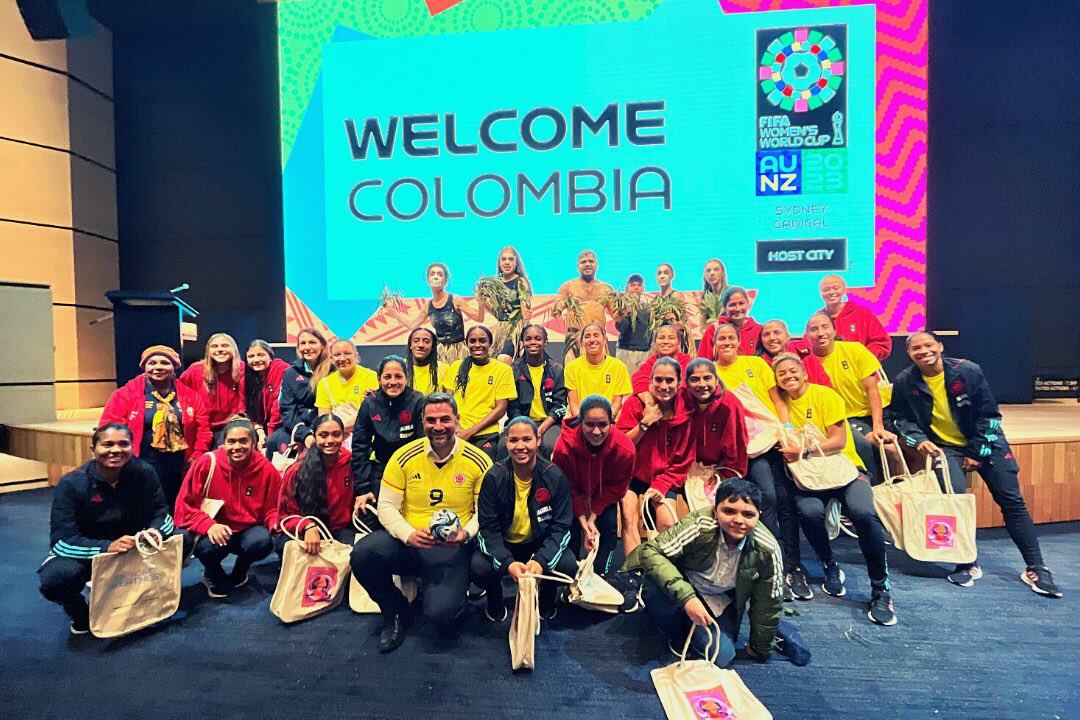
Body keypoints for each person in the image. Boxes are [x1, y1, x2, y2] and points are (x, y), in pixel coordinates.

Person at [887, 332, 1061, 596]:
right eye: (916, 348)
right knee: (952, 502)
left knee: (1011, 501)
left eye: (928, 345)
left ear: (940, 346)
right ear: (909, 353)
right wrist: (918, 439)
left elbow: (989, 415)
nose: (923, 351)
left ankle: (1036, 566)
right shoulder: (904, 381)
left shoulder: (967, 371)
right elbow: (897, 418)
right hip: (946, 449)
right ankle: (966, 562)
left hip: (986, 443)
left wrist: (977, 453)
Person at [351, 393, 492, 653]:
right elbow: (386, 507)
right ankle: (395, 611)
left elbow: (484, 513)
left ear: (457, 420)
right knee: (362, 554)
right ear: (422, 422)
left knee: (442, 617)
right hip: (411, 541)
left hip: (452, 548)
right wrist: (408, 534)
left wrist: (466, 533)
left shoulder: (478, 460)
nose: (438, 426)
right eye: (431, 420)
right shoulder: (403, 456)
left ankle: (447, 590)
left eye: (445, 419)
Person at [773, 354, 898, 625]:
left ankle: (880, 587)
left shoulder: (826, 396)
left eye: (793, 370)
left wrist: (802, 450)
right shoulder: (782, 407)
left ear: (805, 373)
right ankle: (829, 564)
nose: (788, 376)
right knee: (808, 511)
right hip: (810, 476)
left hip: (845, 469)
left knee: (863, 514)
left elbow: (839, 441)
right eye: (781, 373)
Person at [626, 479, 783, 667]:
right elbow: (650, 552)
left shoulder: (768, 549)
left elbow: (769, 603)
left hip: (719, 600)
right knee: (654, 586)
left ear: (759, 516)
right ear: (715, 510)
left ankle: (691, 626)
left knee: (722, 657)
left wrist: (760, 648)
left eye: (748, 514)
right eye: (729, 511)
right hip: (685, 584)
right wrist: (688, 598)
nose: (738, 520)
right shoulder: (700, 524)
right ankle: (676, 632)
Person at [38, 423, 175, 635]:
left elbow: (162, 514)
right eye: (107, 444)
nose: (116, 450)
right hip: (93, 550)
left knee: (184, 539)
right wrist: (106, 547)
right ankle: (80, 613)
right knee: (56, 579)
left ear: (132, 447)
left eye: (123, 444)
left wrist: (155, 533)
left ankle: (145, 601)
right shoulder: (72, 484)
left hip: (135, 547)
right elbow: (61, 542)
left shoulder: (145, 472)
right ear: (93, 450)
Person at [472, 417, 577, 622]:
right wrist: (507, 563)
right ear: (506, 443)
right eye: (514, 440)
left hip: (539, 543)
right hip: (506, 544)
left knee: (568, 564)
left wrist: (541, 560)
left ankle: (546, 599)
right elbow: (487, 530)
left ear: (538, 440)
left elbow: (561, 527)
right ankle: (495, 599)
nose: (520, 446)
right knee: (479, 568)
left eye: (527, 439)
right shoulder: (494, 477)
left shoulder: (554, 475)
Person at [175, 418, 280, 598]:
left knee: (263, 542)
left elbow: (273, 508)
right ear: (223, 443)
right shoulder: (206, 463)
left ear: (254, 443)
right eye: (231, 441)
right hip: (216, 530)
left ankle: (241, 570)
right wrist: (208, 525)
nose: (237, 447)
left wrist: (276, 525)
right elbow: (183, 507)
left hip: (248, 531)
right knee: (209, 549)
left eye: (243, 441)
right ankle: (212, 574)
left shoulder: (267, 470)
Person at [99, 345, 211, 505]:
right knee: (144, 504)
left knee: (176, 503)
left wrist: (197, 455)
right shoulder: (124, 395)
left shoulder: (190, 396)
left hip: (180, 464)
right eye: (152, 363)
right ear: (144, 367)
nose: (158, 367)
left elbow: (203, 430)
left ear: (174, 368)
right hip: (141, 463)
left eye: (165, 363)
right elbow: (109, 429)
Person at [805, 313, 896, 485]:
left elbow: (872, 388)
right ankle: (873, 488)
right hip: (846, 419)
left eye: (825, 327)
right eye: (814, 329)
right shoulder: (806, 363)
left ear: (834, 330)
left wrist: (878, 425)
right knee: (867, 444)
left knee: (898, 447)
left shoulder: (855, 350)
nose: (820, 333)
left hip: (877, 413)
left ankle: (899, 492)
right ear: (807, 335)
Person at [552, 395, 636, 578]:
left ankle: (601, 574)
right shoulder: (563, 448)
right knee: (570, 531)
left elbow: (616, 487)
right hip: (574, 492)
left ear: (611, 423)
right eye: (590, 424)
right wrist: (584, 521)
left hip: (603, 492)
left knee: (609, 527)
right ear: (580, 422)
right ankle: (570, 577)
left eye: (603, 425)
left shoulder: (624, 449)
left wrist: (594, 515)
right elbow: (567, 487)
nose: (597, 432)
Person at [616, 358, 695, 552]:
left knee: (667, 522)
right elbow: (622, 446)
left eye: (669, 380)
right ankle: (632, 571)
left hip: (665, 476)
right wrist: (645, 423)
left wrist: (661, 485)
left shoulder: (686, 410)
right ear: (651, 381)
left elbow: (683, 461)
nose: (664, 386)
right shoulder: (635, 403)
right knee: (628, 517)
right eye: (658, 380)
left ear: (679, 382)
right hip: (633, 473)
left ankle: (659, 569)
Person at [276, 414, 365, 556]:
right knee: (284, 545)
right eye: (323, 435)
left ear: (345, 436)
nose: (330, 440)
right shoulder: (297, 470)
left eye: (336, 435)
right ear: (314, 437)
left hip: (340, 529)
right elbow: (284, 516)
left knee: (361, 553)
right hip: (305, 528)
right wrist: (308, 526)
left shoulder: (352, 464)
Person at [351, 356, 426, 517]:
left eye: (398, 376)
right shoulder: (370, 403)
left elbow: (424, 444)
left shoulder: (418, 400)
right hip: (381, 469)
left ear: (407, 378)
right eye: (387, 377)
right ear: (379, 379)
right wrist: (363, 488)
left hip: (411, 471)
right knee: (368, 514)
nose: (393, 382)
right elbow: (359, 447)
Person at [383, 262, 484, 365]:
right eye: (432, 274)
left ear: (445, 281)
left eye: (440, 274)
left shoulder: (455, 299)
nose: (435, 277)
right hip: (440, 353)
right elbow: (412, 325)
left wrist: (481, 304)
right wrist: (392, 311)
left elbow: (479, 318)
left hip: (459, 351)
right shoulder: (428, 306)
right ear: (427, 280)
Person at [447, 326, 517, 458]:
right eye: (473, 341)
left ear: (490, 343)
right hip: (455, 432)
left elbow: (501, 408)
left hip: (486, 434)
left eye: (482, 341)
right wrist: (457, 429)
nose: (477, 345)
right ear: (466, 343)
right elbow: (448, 402)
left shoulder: (502, 370)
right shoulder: (456, 366)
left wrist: (469, 432)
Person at [503, 324, 567, 458]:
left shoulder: (556, 370)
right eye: (528, 339)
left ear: (545, 343)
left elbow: (560, 406)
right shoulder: (513, 369)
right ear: (523, 342)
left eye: (537, 338)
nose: (533, 342)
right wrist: (524, 427)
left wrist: (540, 430)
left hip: (549, 423)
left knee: (551, 446)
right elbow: (512, 406)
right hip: (520, 420)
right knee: (503, 447)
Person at [267, 327, 332, 455]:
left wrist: (315, 434)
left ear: (323, 345)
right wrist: (304, 435)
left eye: (312, 342)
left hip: (326, 426)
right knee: (272, 442)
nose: (307, 347)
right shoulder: (290, 373)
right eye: (303, 343)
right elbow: (287, 410)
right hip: (297, 427)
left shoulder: (333, 370)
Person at [177, 333, 246, 446]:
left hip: (231, 425)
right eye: (215, 346)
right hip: (201, 427)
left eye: (225, 345)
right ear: (208, 350)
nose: (219, 350)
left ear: (233, 348)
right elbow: (178, 389)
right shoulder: (196, 370)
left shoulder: (243, 369)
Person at [314, 339, 378, 442]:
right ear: (331, 359)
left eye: (347, 353)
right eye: (337, 354)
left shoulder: (370, 376)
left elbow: (371, 414)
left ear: (356, 356)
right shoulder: (324, 383)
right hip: (336, 437)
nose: (342, 358)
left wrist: (338, 429)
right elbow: (324, 419)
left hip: (366, 433)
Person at [564, 323, 633, 418]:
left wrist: (606, 421)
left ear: (605, 340)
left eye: (596, 335)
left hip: (609, 420)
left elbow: (617, 402)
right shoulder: (572, 367)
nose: (592, 340)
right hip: (581, 419)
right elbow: (574, 403)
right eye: (587, 336)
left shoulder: (619, 367)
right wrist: (584, 423)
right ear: (581, 342)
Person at [555, 250, 614, 360]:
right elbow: (557, 307)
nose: (587, 264)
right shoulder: (568, 286)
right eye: (583, 262)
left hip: (598, 340)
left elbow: (618, 316)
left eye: (591, 261)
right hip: (574, 339)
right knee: (572, 374)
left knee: (599, 374)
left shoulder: (606, 288)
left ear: (596, 265)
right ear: (578, 266)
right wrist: (559, 307)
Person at [818, 275, 892, 361]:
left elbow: (882, 343)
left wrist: (861, 356)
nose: (831, 292)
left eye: (836, 288)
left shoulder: (862, 314)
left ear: (844, 290)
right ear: (821, 293)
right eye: (826, 289)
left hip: (860, 369)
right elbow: (808, 345)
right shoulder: (817, 318)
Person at [482, 246, 532, 362]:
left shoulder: (521, 281)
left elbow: (525, 313)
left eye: (510, 259)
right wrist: (484, 303)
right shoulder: (496, 284)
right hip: (500, 329)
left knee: (503, 358)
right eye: (503, 259)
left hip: (516, 328)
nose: (507, 262)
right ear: (499, 263)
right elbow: (498, 314)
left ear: (516, 262)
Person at [758, 320, 832, 388]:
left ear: (788, 336)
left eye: (777, 332)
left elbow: (824, 382)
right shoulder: (760, 364)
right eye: (766, 334)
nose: (772, 338)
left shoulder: (804, 351)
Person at [243, 340, 290, 446]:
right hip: (259, 425)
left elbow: (277, 405)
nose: (256, 360)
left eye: (261, 355)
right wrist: (258, 430)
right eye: (251, 356)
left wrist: (269, 436)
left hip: (283, 424)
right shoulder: (247, 376)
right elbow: (246, 408)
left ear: (270, 356)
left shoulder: (281, 369)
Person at [697, 287, 763, 359]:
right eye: (732, 305)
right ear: (725, 308)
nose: (738, 309)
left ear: (748, 304)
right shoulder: (714, 329)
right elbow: (703, 361)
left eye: (741, 303)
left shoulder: (759, 330)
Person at [630, 324, 692, 393]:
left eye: (671, 338)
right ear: (655, 342)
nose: (666, 341)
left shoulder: (688, 364)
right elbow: (639, 382)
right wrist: (649, 401)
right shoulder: (649, 365)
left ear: (679, 343)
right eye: (661, 338)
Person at [613, 274, 653, 374]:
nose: (636, 287)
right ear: (627, 288)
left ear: (643, 288)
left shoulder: (647, 308)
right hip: (626, 352)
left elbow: (651, 330)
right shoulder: (622, 306)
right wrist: (623, 313)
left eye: (639, 285)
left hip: (645, 353)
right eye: (632, 285)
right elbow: (621, 328)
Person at [653, 262, 691, 353]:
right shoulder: (656, 299)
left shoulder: (676, 296)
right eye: (659, 273)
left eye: (666, 273)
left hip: (674, 345)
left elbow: (683, 325)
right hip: (661, 344)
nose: (662, 276)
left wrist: (673, 321)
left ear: (672, 276)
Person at [404, 327, 444, 395]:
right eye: (416, 341)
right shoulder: (400, 367)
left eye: (426, 342)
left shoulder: (443, 369)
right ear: (410, 345)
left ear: (432, 346)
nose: (421, 345)